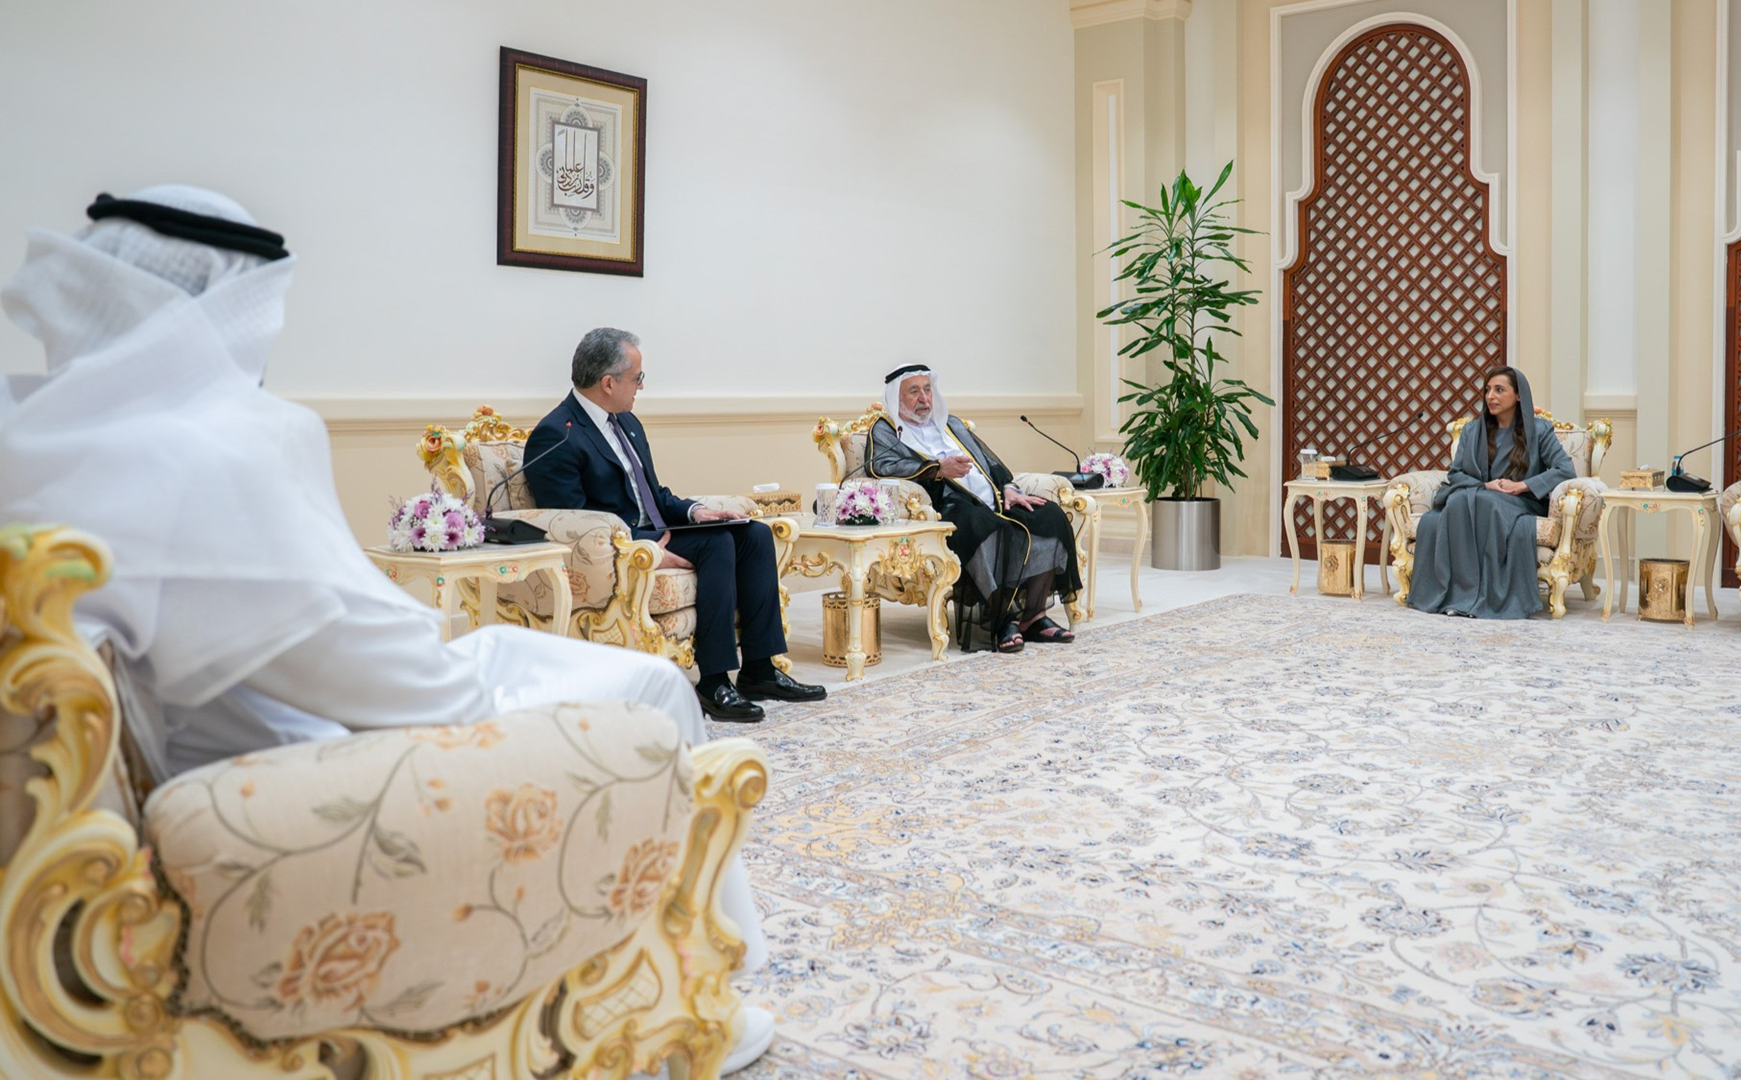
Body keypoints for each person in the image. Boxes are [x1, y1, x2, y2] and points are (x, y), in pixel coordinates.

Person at [0, 186, 773, 1072]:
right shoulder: (220, 445)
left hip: (220, 744)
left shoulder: (42, 439)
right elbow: (411, 688)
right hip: (314, 759)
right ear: (227, 305)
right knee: (653, 686)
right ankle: (697, 991)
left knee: (689, 565)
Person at [523, 329, 825, 721]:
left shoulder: (627, 422)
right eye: (637, 378)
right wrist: (643, 548)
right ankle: (714, 682)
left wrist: (697, 512)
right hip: (625, 544)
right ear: (608, 383)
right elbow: (574, 521)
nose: (641, 387)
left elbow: (654, 494)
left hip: (660, 530)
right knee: (717, 544)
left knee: (754, 534)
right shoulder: (557, 434)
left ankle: (760, 671)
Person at [865, 364, 1082, 651]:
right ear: (896, 398)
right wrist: (937, 468)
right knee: (984, 526)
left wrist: (1009, 488)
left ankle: (1033, 616)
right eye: (914, 392)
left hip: (993, 501)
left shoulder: (951, 424)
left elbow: (989, 462)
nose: (924, 398)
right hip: (950, 506)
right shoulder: (886, 430)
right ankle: (1002, 621)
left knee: (1050, 515)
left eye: (927, 390)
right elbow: (881, 466)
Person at [1407, 366, 1575, 619]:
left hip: (1520, 502)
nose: (1490, 396)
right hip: (1479, 495)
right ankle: (1458, 595)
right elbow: (1455, 474)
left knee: (1480, 502)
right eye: (1487, 390)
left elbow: (1565, 469)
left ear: (1518, 395)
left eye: (1499, 390)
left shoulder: (1540, 430)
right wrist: (1486, 485)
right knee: (1458, 500)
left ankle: (1482, 597)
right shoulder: (1472, 431)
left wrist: (1521, 485)